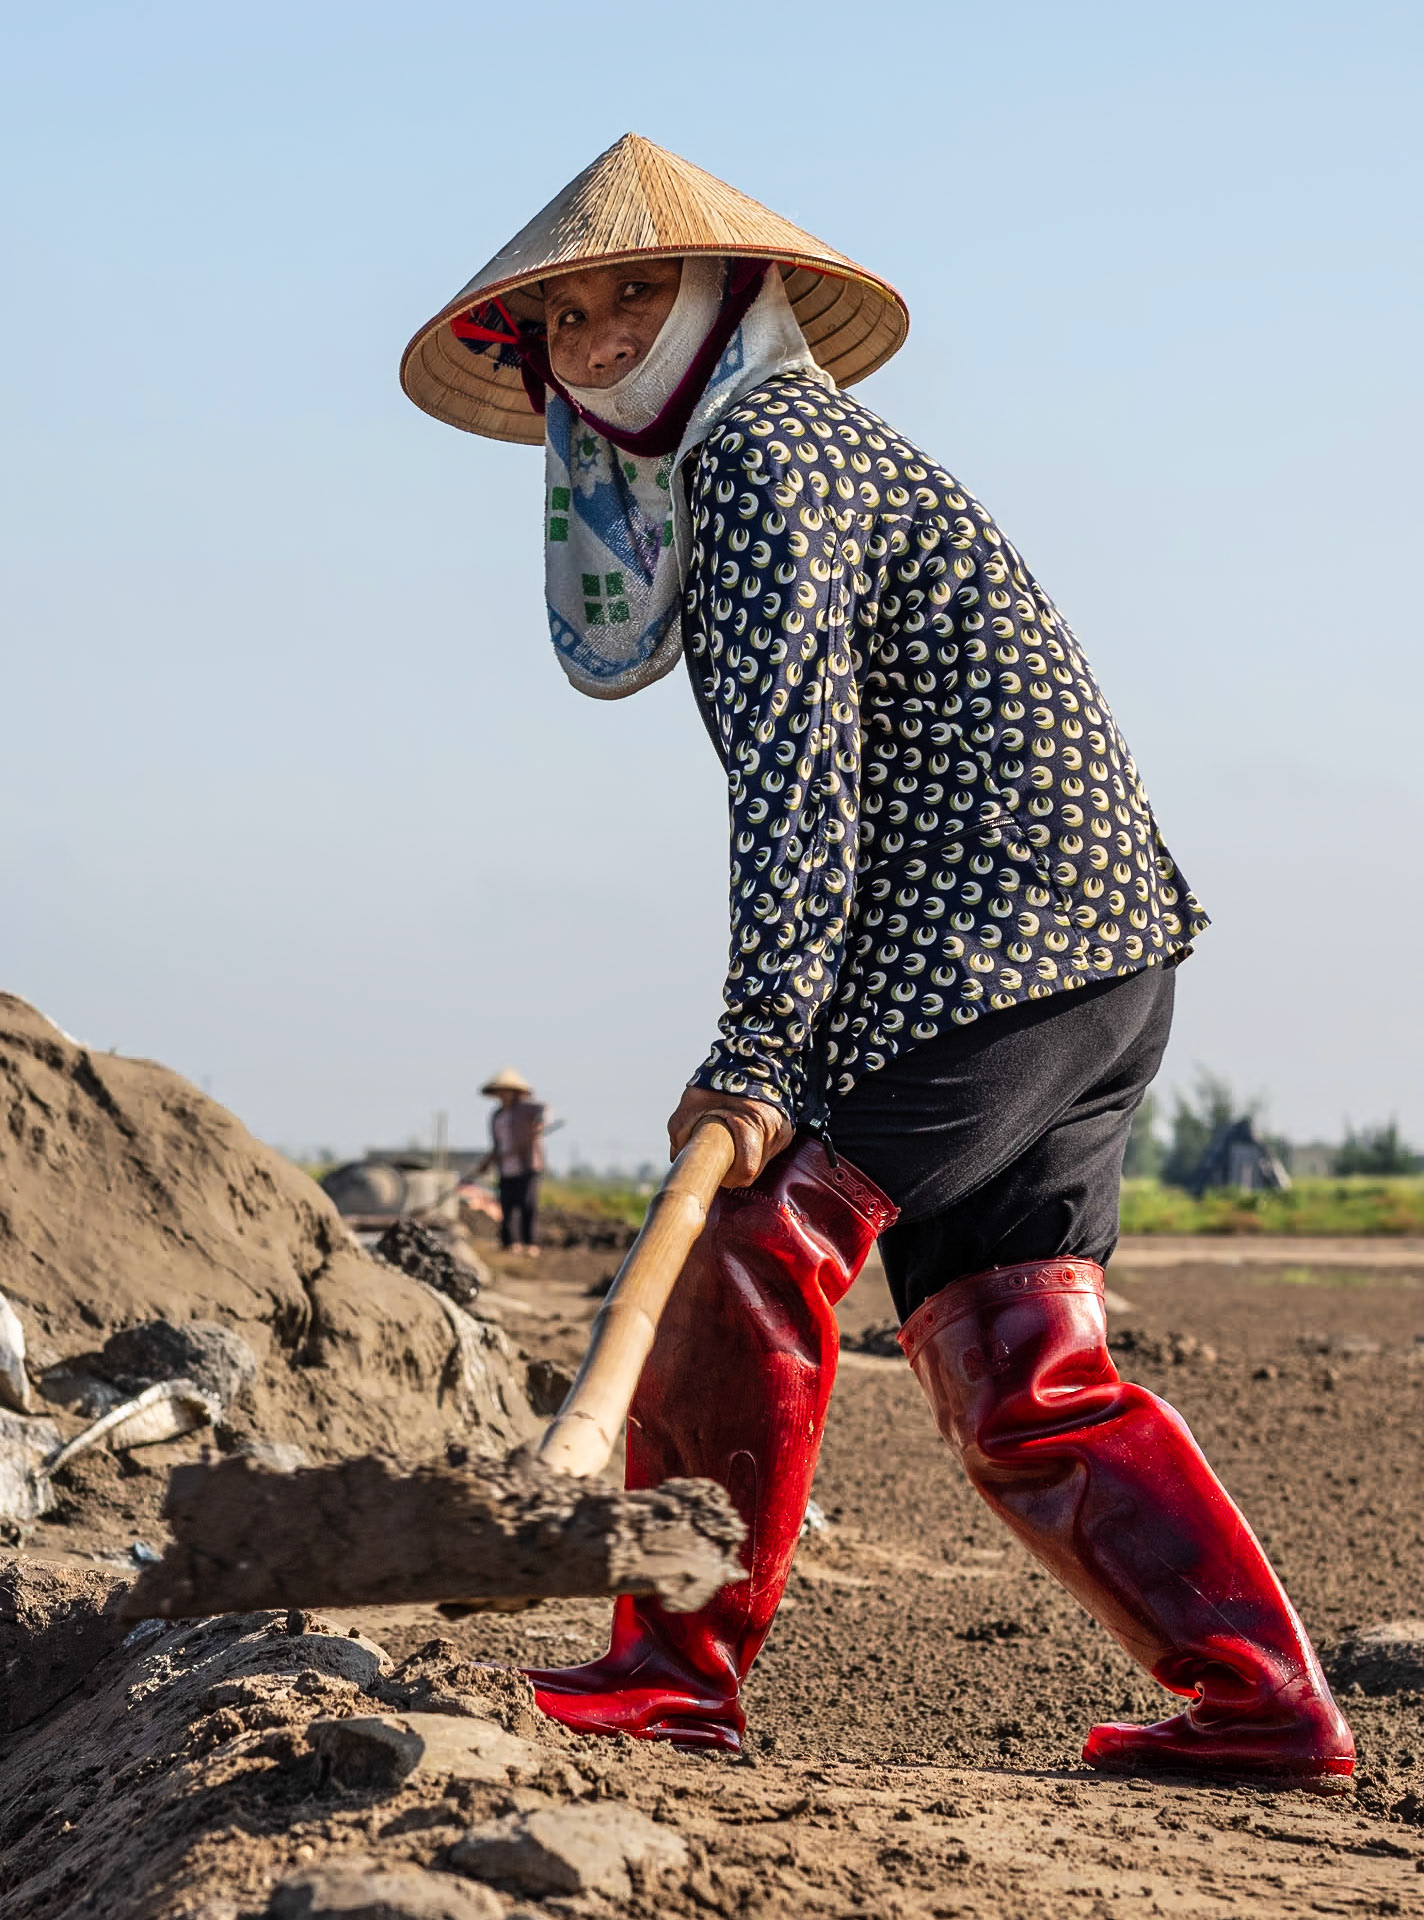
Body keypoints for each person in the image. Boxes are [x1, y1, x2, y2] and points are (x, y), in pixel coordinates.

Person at [399, 135, 1353, 1776]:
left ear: (728, 297)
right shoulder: (791, 449)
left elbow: (799, 774)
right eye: (564, 315)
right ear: (532, 357)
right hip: (1090, 956)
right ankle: (1259, 1706)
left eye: (640, 287)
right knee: (1017, 1368)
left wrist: (761, 1042)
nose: (606, 329)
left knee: (743, 1248)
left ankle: (671, 1669)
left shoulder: (768, 453)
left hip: (985, 946)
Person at [476, 1067, 547, 1256]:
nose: (502, 1094)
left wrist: (538, 1125)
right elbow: (497, 1145)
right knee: (507, 1205)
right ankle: (510, 1242)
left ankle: (530, 1243)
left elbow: (543, 1110)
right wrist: (487, 1162)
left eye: (506, 1090)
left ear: (515, 1092)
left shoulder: (526, 1108)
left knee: (527, 1205)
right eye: (499, 1091)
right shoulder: (497, 1115)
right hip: (506, 1167)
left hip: (527, 1165)